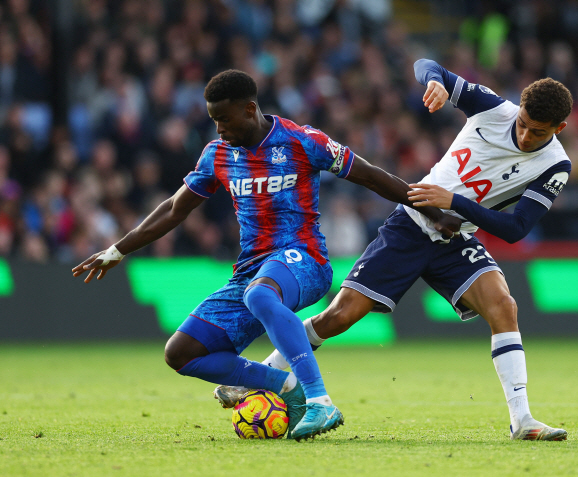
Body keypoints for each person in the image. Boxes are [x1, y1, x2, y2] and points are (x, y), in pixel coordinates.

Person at [72, 69, 459, 441]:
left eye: (224, 119)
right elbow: (175, 208)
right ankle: (283, 385)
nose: (219, 129)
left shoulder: (303, 141)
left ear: (249, 108)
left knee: (260, 294)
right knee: (181, 353)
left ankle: (319, 400)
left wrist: (432, 212)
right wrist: (117, 249)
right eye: (213, 121)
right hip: (251, 271)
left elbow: (373, 176)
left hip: (304, 259)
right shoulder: (217, 155)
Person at [260, 59, 573, 441]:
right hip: (412, 223)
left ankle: (522, 420)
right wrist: (436, 83)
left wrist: (454, 202)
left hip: (456, 237)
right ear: (518, 110)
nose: (524, 136)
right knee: (340, 316)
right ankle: (265, 374)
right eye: (523, 124)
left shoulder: (555, 164)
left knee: (504, 306)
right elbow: (426, 63)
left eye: (537, 132)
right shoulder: (493, 108)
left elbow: (516, 228)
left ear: (559, 129)